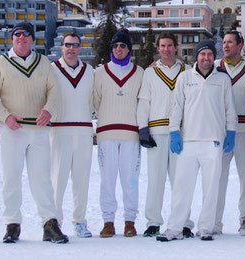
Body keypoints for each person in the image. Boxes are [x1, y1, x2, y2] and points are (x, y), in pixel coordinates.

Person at [0, 22, 67, 244]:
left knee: (42, 179)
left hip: (38, 130)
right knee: (11, 177)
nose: (21, 38)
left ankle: (49, 223)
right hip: (13, 129)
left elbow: (54, 91)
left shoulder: (43, 63)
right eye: (17, 34)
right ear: (13, 38)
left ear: (32, 39)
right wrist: (5, 116)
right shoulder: (1, 63)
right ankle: (12, 224)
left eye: (26, 34)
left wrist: (49, 110)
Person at [156, 40, 237, 242]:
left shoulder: (223, 79)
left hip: (213, 142)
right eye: (203, 54)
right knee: (182, 188)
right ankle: (174, 229)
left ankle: (205, 228)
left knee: (211, 189)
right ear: (197, 56)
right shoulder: (185, 77)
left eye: (210, 54)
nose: (206, 58)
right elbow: (176, 108)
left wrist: (232, 132)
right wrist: (174, 132)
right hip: (188, 141)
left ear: (214, 57)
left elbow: (230, 109)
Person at [138, 32, 195, 237]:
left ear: (176, 47)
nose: (166, 49)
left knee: (181, 181)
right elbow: (144, 101)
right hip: (156, 132)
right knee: (155, 180)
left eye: (170, 45)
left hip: (180, 133)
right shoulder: (150, 72)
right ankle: (153, 221)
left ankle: (184, 222)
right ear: (158, 48)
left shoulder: (188, 71)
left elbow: (193, 102)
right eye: (162, 46)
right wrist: (143, 129)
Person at [93, 29, 144, 238]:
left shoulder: (139, 72)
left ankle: (130, 221)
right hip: (107, 133)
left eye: (123, 46)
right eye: (115, 46)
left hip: (131, 133)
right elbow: (96, 101)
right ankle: (108, 221)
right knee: (107, 179)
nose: (118, 49)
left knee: (130, 179)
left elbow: (143, 102)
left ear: (129, 49)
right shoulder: (100, 72)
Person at [213, 31, 245, 236]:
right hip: (221, 130)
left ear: (240, 45)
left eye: (230, 42)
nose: (226, 45)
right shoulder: (214, 66)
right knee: (217, 177)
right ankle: (214, 221)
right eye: (224, 42)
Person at [49, 33, 95, 238]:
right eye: (68, 45)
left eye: (75, 45)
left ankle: (79, 221)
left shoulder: (90, 71)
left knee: (81, 179)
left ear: (80, 48)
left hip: (84, 129)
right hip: (60, 129)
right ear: (61, 47)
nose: (71, 49)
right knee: (57, 179)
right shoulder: (51, 70)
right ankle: (54, 221)